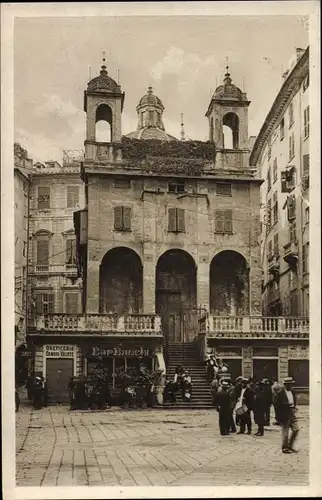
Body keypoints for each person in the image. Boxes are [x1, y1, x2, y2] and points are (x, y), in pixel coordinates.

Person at [275, 376, 299, 454]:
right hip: (284, 414)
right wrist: (287, 404)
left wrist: (294, 407)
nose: (289, 386)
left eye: (290, 384)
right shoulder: (280, 394)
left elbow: (294, 400)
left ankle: (290, 446)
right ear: (284, 385)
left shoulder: (292, 391)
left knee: (296, 429)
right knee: (285, 431)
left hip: (292, 412)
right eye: (288, 384)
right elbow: (277, 405)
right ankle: (284, 448)